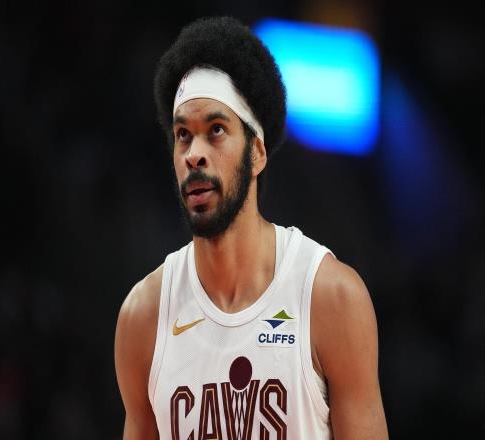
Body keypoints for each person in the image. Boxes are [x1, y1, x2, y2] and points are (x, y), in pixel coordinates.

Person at [115, 16, 388, 440]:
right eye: (183, 134)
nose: (194, 154)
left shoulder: (331, 298)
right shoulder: (143, 316)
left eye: (216, 130)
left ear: (257, 153)